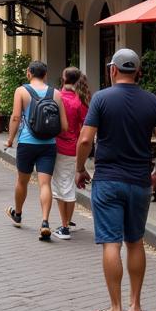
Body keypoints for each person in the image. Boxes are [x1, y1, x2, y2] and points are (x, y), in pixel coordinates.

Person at [75, 49, 156, 311]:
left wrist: (81, 169)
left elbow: (84, 141)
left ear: (113, 70)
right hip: (140, 181)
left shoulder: (102, 99)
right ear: (138, 72)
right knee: (135, 241)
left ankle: (115, 309)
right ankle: (135, 304)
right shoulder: (152, 101)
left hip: (107, 180)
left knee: (111, 242)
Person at [4, 60, 67, 239]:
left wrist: (9, 140)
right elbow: (64, 126)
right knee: (45, 184)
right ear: (45, 75)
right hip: (48, 145)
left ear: (29, 73)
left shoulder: (21, 91)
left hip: (26, 143)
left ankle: (18, 213)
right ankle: (45, 221)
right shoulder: (56, 93)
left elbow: (16, 117)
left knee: (22, 181)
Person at [52, 67, 89, 239]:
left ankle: (64, 226)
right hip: (74, 147)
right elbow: (85, 128)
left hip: (58, 145)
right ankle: (68, 221)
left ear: (63, 77)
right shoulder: (80, 100)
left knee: (61, 187)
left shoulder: (56, 97)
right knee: (69, 185)